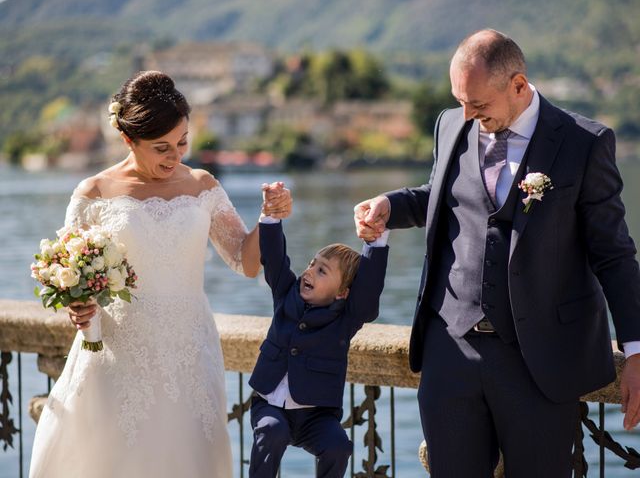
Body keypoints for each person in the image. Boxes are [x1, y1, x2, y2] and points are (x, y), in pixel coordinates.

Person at [354, 29, 640, 477]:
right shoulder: (452, 123)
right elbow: (441, 195)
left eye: (478, 104)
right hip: (450, 351)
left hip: (540, 363)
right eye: (459, 100)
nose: (466, 114)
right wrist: (390, 205)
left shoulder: (584, 142)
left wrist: (637, 350)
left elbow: (615, 255)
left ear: (519, 85)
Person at [28, 70, 292, 478]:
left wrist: (269, 217)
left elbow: (245, 261)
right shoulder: (93, 193)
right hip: (117, 355)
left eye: (183, 142)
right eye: (161, 147)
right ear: (128, 140)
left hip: (191, 352)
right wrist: (77, 305)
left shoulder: (203, 185)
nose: (175, 156)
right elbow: (72, 274)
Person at [248, 187, 390, 478]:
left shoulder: (347, 317)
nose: (310, 272)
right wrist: (271, 217)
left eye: (322, 271)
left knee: (338, 446)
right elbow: (274, 260)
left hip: (317, 416)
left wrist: (375, 244)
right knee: (271, 432)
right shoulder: (286, 293)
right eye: (312, 264)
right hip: (271, 404)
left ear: (342, 293)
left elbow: (369, 291)